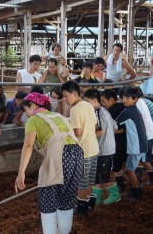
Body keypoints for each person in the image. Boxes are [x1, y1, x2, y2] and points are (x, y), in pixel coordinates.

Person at [15, 92, 83, 234]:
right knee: (66, 200)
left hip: (60, 156)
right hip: (77, 155)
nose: (26, 115)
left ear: (32, 106)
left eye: (26, 110)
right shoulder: (60, 116)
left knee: (48, 200)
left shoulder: (33, 120)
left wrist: (21, 172)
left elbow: (28, 145)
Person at [61, 80, 99, 215]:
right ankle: (89, 205)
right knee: (89, 181)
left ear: (74, 94)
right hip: (94, 147)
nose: (64, 99)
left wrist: (65, 134)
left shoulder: (75, 109)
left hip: (84, 150)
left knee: (81, 181)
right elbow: (94, 126)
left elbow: (77, 132)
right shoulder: (88, 106)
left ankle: (81, 209)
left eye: (66, 96)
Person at [116, 86, 153, 200]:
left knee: (129, 169)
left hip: (135, 146)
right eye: (123, 97)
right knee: (137, 165)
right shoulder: (134, 110)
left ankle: (136, 193)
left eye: (127, 98)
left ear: (135, 99)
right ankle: (136, 189)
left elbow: (115, 124)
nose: (124, 100)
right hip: (141, 143)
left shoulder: (127, 112)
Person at [83, 89, 120, 205]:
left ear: (94, 101)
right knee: (98, 177)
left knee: (103, 177)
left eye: (87, 102)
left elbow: (101, 132)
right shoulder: (105, 111)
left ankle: (115, 195)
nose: (85, 105)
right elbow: (114, 126)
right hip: (105, 149)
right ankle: (96, 199)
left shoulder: (98, 113)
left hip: (104, 150)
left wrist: (86, 137)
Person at [100, 89, 127, 192]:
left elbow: (107, 129)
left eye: (104, 101)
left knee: (116, 166)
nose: (103, 104)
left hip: (117, 143)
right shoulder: (124, 106)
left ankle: (120, 184)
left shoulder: (110, 112)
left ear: (111, 99)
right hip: (128, 140)